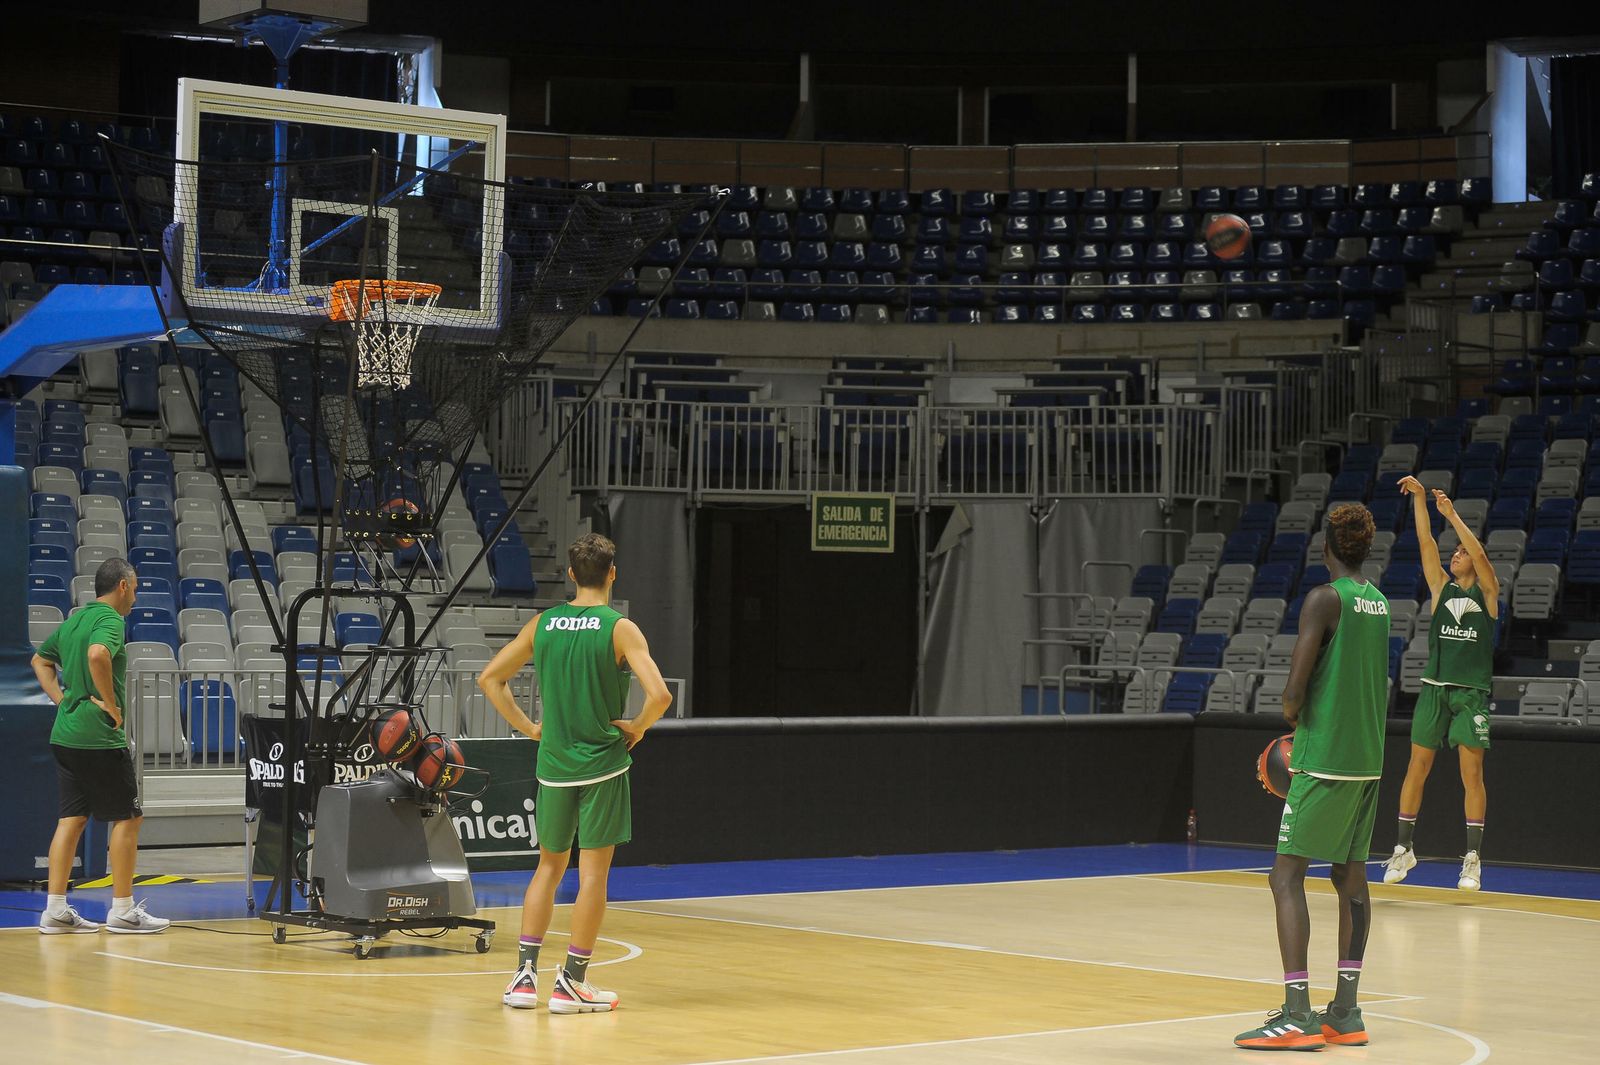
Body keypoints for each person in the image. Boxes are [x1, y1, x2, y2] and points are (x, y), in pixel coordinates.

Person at [477, 533, 672, 1014]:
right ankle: (572, 982)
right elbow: (661, 696)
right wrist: (638, 728)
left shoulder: (542, 624)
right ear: (612, 573)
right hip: (602, 765)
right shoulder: (620, 627)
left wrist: (529, 728)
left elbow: (490, 679)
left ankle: (524, 979)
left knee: (547, 867)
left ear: (569, 575)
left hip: (554, 765)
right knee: (592, 876)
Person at [1235, 504, 1388, 1051]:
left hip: (1324, 758)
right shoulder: (1379, 603)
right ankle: (1345, 1011)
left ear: (1326, 549)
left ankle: (1297, 1012)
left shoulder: (1325, 598)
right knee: (1350, 879)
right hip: (1367, 760)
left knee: (1285, 877)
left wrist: (1293, 723)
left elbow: (1295, 690)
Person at [30, 557, 169, 934]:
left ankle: (55, 910)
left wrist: (63, 701)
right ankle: (123, 910)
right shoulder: (110, 621)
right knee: (129, 817)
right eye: (135, 588)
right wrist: (110, 703)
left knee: (71, 819)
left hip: (65, 734)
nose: (136, 597)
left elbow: (40, 661)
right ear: (122, 586)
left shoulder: (74, 619)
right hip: (98, 737)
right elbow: (97, 655)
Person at [1382, 477, 1498, 892]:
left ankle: (1472, 859)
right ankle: (1403, 848)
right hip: (1433, 688)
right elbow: (1425, 540)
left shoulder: (1488, 594)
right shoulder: (1439, 589)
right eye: (1456, 551)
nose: (1456, 554)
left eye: (1462, 552)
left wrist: (1451, 514)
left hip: (1471, 695)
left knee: (1472, 774)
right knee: (1417, 768)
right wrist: (1418, 500)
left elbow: (1481, 554)